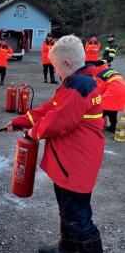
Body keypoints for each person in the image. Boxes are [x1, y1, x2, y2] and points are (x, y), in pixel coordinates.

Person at [7, 35, 104, 253]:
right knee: (68, 211)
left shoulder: (78, 87)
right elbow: (50, 108)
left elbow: (56, 122)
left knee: (78, 218)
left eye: (56, 68)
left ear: (67, 64)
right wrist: (20, 120)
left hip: (75, 166)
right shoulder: (76, 82)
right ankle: (67, 248)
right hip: (71, 164)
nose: (56, 73)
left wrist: (32, 132)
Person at [96, 62, 125, 133]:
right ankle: (113, 128)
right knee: (113, 111)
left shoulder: (100, 75)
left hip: (112, 93)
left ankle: (97, 128)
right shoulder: (110, 70)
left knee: (100, 112)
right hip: (122, 91)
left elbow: (99, 90)